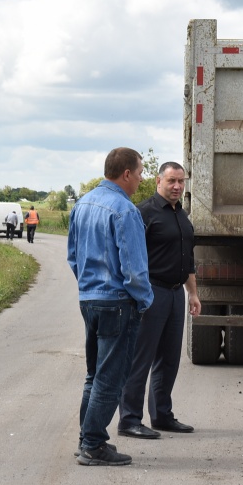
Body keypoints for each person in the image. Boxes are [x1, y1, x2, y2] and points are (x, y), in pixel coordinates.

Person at [67, 147, 154, 466]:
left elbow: (73, 256)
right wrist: (144, 300)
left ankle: (86, 439)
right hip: (118, 302)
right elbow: (134, 267)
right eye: (141, 172)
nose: (142, 178)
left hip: (89, 300)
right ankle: (93, 444)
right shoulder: (125, 210)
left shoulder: (83, 203)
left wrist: (89, 286)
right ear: (127, 173)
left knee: (95, 374)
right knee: (111, 377)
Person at [117, 161, 202, 440]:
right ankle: (129, 419)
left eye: (181, 181)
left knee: (169, 360)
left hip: (176, 293)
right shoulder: (143, 213)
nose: (177, 186)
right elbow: (129, 257)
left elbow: (187, 259)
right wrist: (137, 295)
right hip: (150, 293)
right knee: (141, 358)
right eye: (171, 181)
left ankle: (162, 415)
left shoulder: (182, 216)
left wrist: (193, 293)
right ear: (158, 181)